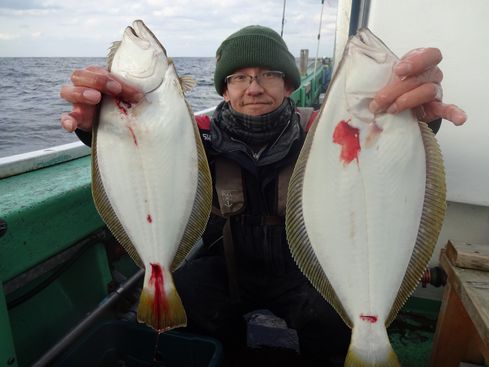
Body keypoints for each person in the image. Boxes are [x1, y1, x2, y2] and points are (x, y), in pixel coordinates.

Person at [60, 25, 466, 366]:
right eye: (238, 77)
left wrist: (415, 121)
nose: (253, 87)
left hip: (302, 269)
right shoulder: (192, 133)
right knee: (188, 293)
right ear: (224, 89)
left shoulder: (321, 132)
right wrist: (97, 126)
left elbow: (382, 161)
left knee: (330, 319)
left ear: (289, 83)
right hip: (228, 265)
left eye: (268, 74)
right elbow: (146, 152)